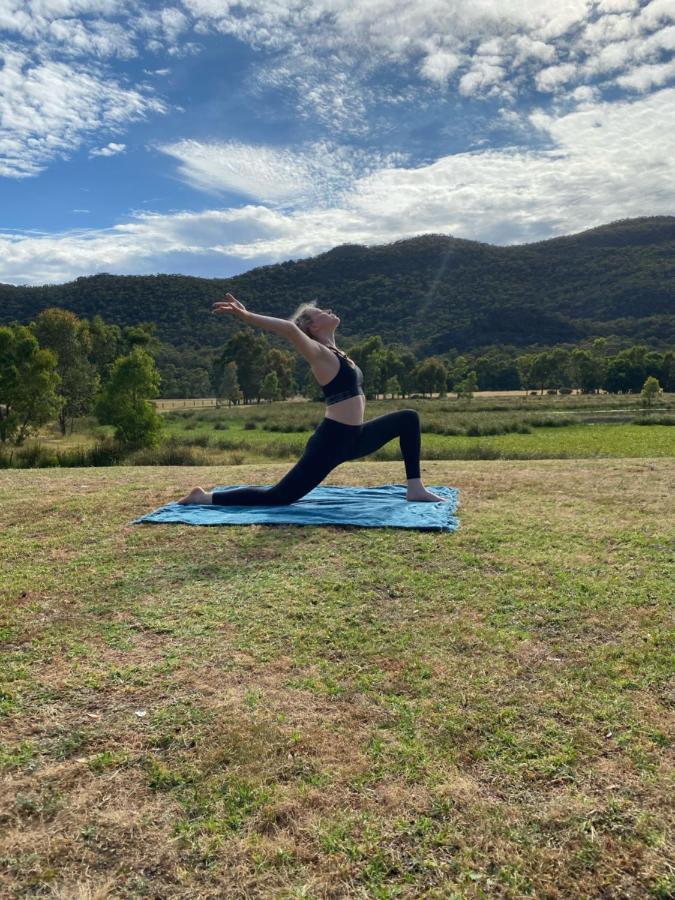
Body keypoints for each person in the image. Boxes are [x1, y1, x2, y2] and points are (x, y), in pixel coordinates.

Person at [178, 293, 448, 505]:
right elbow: (289, 329)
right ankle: (203, 497)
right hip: (331, 441)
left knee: (408, 418)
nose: (329, 311)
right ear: (313, 326)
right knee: (279, 497)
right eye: (322, 312)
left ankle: (415, 488)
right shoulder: (318, 352)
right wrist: (246, 316)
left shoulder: (338, 353)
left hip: (356, 437)